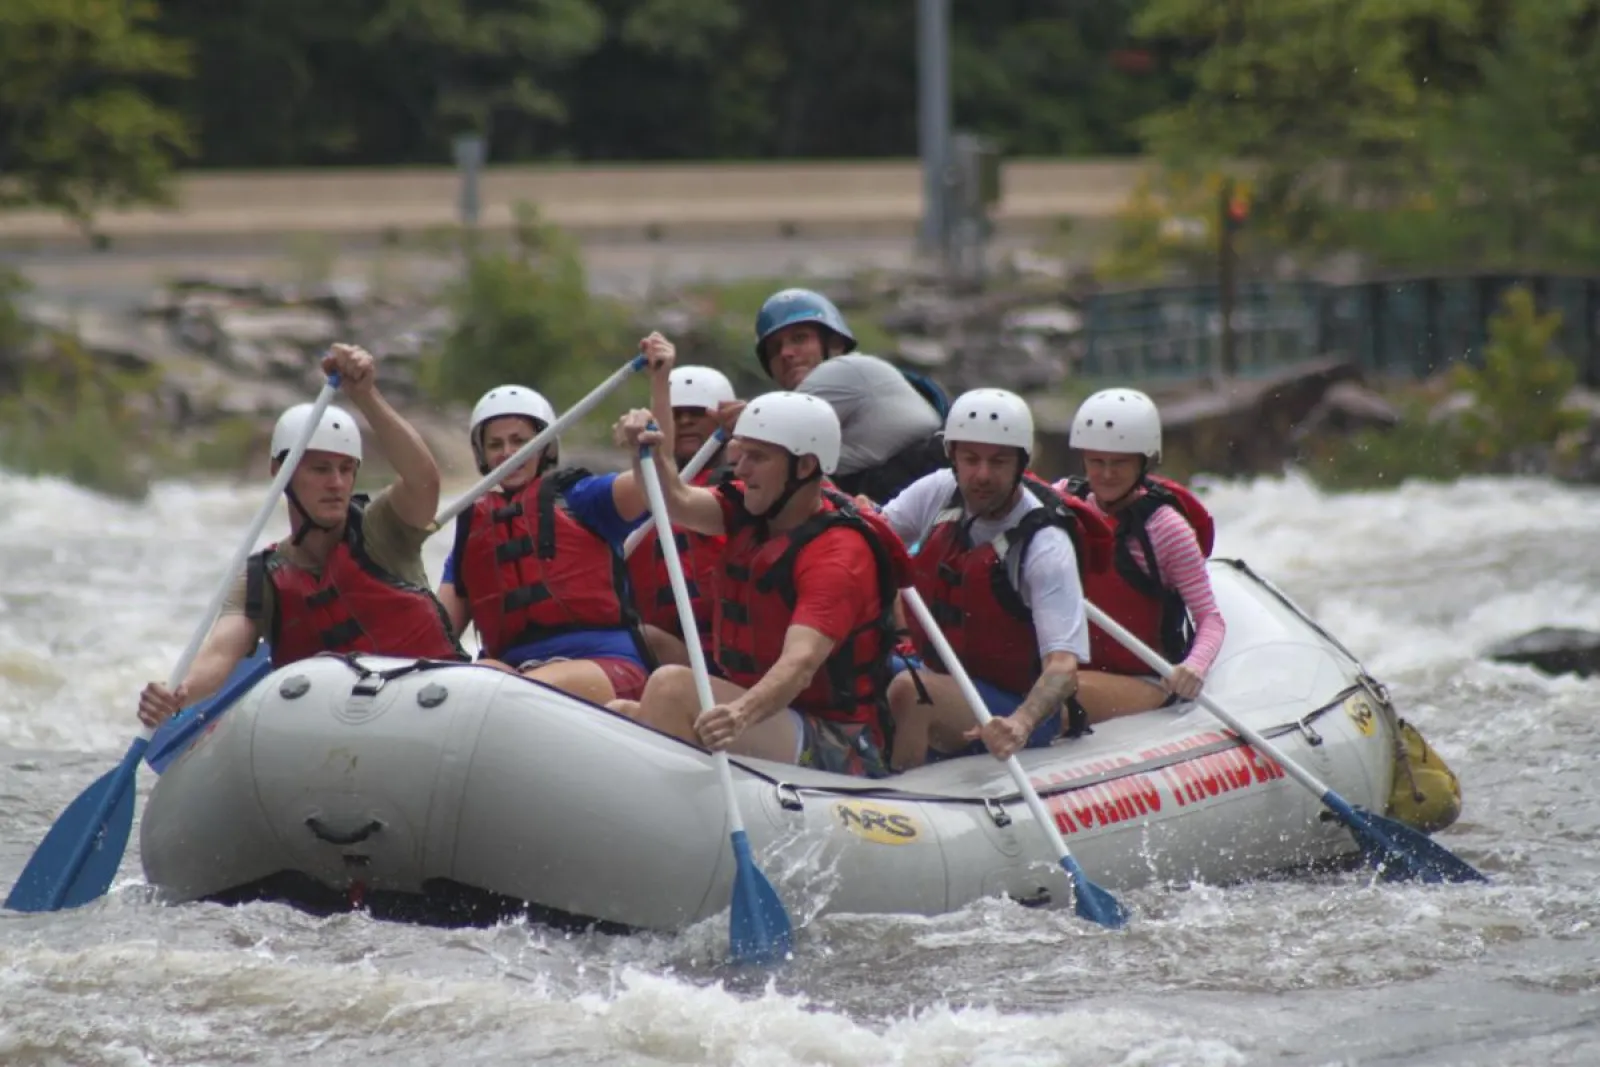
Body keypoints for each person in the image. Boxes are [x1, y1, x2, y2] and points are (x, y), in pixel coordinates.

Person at [137, 343, 462, 728]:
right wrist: (178, 693)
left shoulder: (382, 529)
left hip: (431, 706)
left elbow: (423, 480)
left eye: (346, 469)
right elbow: (220, 654)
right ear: (282, 471)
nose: (336, 483)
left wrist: (366, 396)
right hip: (335, 726)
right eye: (320, 469)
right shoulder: (261, 578)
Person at [613, 388, 912, 777]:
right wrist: (645, 454)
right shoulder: (754, 510)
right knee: (620, 713)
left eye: (758, 457)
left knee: (673, 688)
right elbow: (677, 502)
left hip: (841, 743)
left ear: (804, 467)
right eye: (741, 454)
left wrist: (740, 713)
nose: (740, 469)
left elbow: (800, 663)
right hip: (775, 716)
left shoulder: (839, 554)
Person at [433, 335, 677, 706]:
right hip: (509, 676)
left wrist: (659, 385)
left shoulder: (582, 496)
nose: (508, 453)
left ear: (545, 446)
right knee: (485, 678)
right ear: (481, 454)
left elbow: (657, 479)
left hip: (604, 667)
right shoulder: (472, 530)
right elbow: (436, 633)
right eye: (495, 444)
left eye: (519, 440)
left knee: (502, 688)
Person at [879, 389, 1115, 768]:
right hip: (943, 676)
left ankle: (891, 792)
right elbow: (871, 548)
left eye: (998, 461)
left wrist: (1020, 722)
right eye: (971, 459)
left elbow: (1063, 668)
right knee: (861, 664)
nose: (983, 475)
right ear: (953, 457)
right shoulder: (939, 491)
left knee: (911, 690)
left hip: (1013, 705)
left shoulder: (1044, 543)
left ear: (1020, 463)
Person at [1056, 387, 1226, 721]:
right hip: (1069, 666)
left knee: (1059, 689)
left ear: (1142, 462)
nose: (1105, 474)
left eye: (1118, 463)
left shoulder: (1167, 529)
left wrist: (1194, 667)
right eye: (1096, 462)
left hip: (1144, 680)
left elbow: (1210, 619)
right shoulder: (1060, 501)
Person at [747, 287, 946, 504]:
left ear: (835, 343)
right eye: (775, 348)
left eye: (799, 338)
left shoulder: (845, 369)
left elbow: (761, 433)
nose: (786, 353)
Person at [625, 365, 737, 667]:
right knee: (639, 635)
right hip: (669, 650)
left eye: (697, 413)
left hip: (729, 653)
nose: (686, 421)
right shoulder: (637, 492)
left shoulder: (747, 488)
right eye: (677, 414)